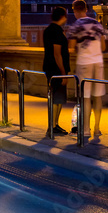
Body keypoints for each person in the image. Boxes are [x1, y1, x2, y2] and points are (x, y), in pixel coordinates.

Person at [69, 0, 107, 139]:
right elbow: (103, 47)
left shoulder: (76, 25)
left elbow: (72, 47)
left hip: (84, 62)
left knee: (85, 97)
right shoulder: (97, 24)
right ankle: (97, 128)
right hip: (98, 62)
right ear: (86, 9)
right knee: (97, 97)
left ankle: (86, 129)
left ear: (75, 10)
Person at [42, 7, 71, 136]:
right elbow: (57, 54)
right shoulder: (57, 31)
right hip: (56, 69)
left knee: (57, 98)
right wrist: (63, 73)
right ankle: (52, 126)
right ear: (62, 17)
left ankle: (54, 125)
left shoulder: (48, 30)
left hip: (49, 67)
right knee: (56, 98)